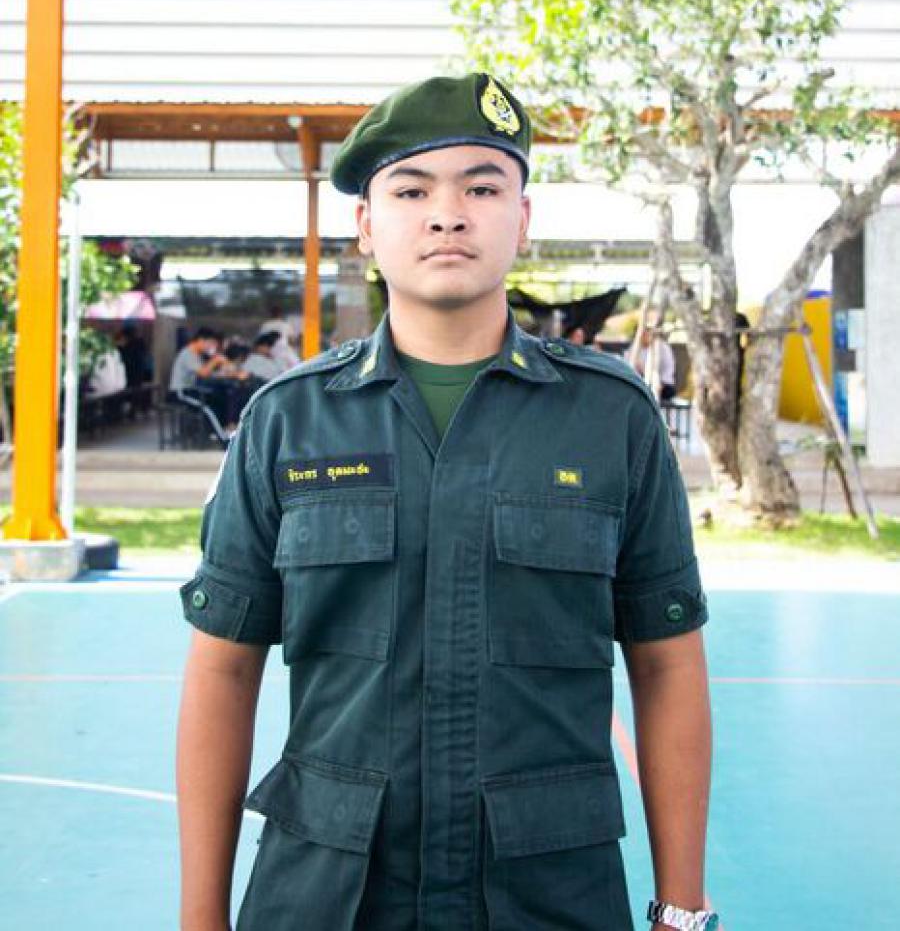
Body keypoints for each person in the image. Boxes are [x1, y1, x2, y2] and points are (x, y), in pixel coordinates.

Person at [177, 73, 717, 931]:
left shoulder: (611, 418)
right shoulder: (287, 422)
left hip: (548, 896)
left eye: (482, 187)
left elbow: (667, 662)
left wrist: (682, 909)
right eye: (411, 189)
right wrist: (200, 919)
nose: (447, 214)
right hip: (328, 897)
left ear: (522, 219)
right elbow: (223, 667)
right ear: (366, 225)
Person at [168, 327, 226, 397]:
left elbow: (207, 373)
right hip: (180, 394)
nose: (211, 347)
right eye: (210, 343)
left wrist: (224, 373)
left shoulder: (197, 355)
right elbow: (203, 373)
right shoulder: (188, 353)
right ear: (201, 340)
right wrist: (215, 360)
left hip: (189, 391)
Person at [630, 324, 678, 402]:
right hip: (640, 384)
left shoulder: (663, 348)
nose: (644, 336)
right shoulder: (634, 348)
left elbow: (668, 369)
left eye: (646, 333)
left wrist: (660, 384)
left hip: (662, 386)